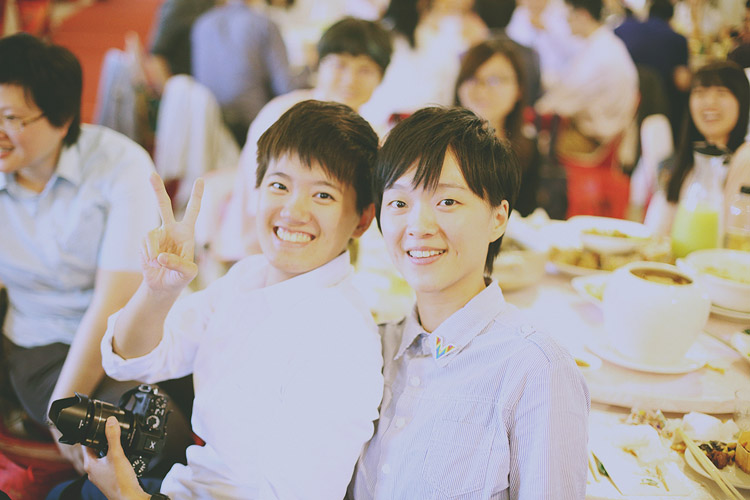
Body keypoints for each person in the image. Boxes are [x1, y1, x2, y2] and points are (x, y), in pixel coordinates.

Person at [63, 100, 384, 499]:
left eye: (323, 195)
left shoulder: (342, 341)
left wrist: (130, 496)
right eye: (279, 185)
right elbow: (133, 359)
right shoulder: (250, 276)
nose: (292, 210)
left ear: (363, 219)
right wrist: (158, 291)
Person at [350, 106, 590, 499]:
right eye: (399, 203)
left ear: (499, 218)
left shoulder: (535, 370)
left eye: (447, 201)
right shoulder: (372, 347)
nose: (419, 226)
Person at [0, 33, 192, 477]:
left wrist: (59, 407)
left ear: (63, 118)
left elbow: (114, 301)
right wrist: (63, 408)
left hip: (130, 331)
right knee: (157, 437)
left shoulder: (119, 166)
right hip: (43, 343)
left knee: (218, 407)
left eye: (11, 118)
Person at [214, 16, 392, 261]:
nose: (350, 79)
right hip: (257, 250)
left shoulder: (367, 134)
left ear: (381, 78)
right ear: (318, 64)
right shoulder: (284, 116)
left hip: (319, 251)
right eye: (340, 65)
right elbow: (261, 202)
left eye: (365, 70)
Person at [645, 61, 750, 236]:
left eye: (722, 93)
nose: (709, 103)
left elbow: (732, 235)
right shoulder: (687, 162)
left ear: (742, 101)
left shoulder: (745, 159)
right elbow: (656, 230)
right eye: (700, 93)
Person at [535, 0, 638, 156]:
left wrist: (534, 111)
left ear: (583, 16)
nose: (566, 22)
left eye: (568, 16)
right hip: (606, 130)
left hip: (596, 140)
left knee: (532, 145)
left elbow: (563, 101)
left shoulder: (599, 54)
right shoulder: (605, 43)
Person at [191, 0, 297, 146]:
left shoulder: (202, 24)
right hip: (255, 127)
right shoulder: (264, 24)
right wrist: (311, 69)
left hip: (212, 127)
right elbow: (286, 87)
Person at [456, 38, 540, 216]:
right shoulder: (443, 147)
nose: (483, 89)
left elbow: (527, 214)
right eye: (473, 78)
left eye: (496, 80)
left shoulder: (528, 149)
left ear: (519, 89)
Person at [615, 0, 691, 145]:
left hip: (623, 99)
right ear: (670, 18)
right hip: (660, 107)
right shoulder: (677, 39)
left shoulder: (623, 29)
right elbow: (682, 81)